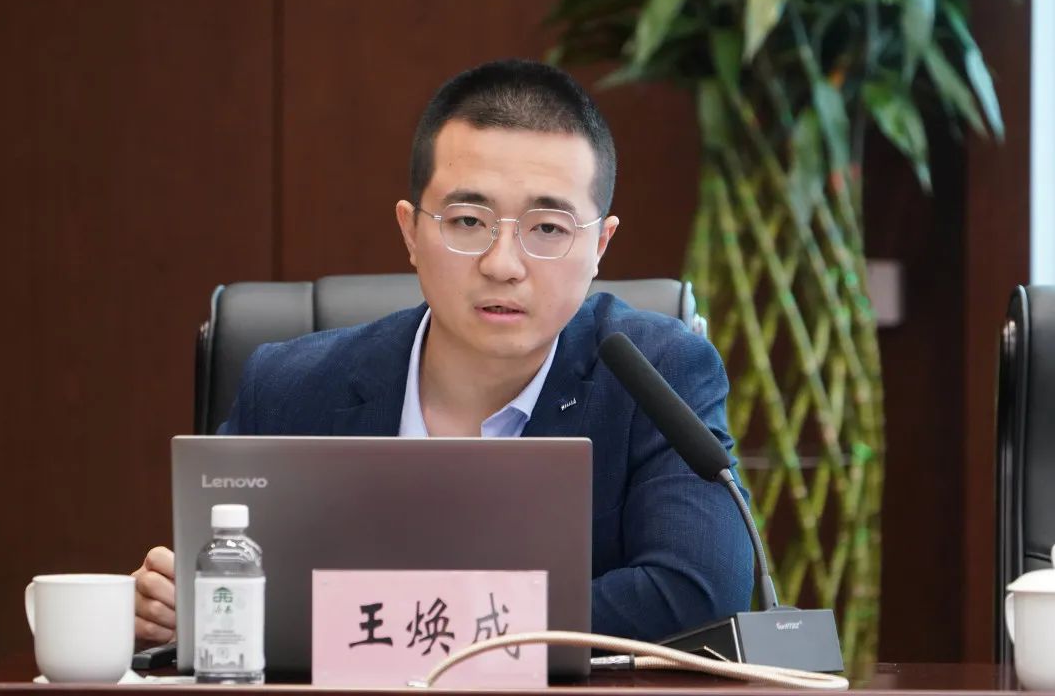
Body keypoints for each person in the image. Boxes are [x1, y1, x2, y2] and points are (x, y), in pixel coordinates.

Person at [132, 59, 753, 648]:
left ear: (600, 247)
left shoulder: (660, 377)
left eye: (548, 229)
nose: (503, 265)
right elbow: (219, 595)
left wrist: (412, 626)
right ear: (410, 231)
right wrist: (169, 604)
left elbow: (701, 591)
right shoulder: (288, 388)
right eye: (467, 222)